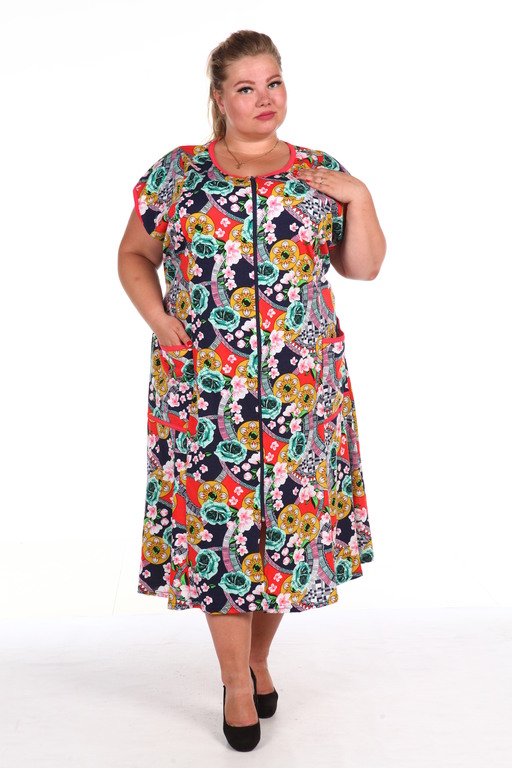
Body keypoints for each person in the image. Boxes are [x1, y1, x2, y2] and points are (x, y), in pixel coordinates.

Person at [118, 29, 386, 752]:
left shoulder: (321, 172)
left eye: (273, 83)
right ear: (219, 97)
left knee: (286, 539)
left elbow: (363, 267)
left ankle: (258, 659)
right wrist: (161, 321)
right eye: (246, 88)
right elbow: (135, 255)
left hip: (303, 393)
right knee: (223, 538)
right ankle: (235, 683)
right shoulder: (178, 174)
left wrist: (360, 197)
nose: (264, 99)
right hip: (205, 392)